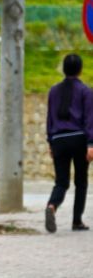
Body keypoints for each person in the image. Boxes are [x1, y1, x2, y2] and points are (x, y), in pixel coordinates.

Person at [45, 54, 93, 233]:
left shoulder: (53, 91)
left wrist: (50, 141)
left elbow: (49, 118)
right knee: (81, 182)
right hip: (79, 139)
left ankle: (51, 206)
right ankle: (77, 221)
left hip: (58, 140)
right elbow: (89, 119)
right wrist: (91, 144)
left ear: (64, 69)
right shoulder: (86, 91)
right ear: (80, 70)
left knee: (61, 182)